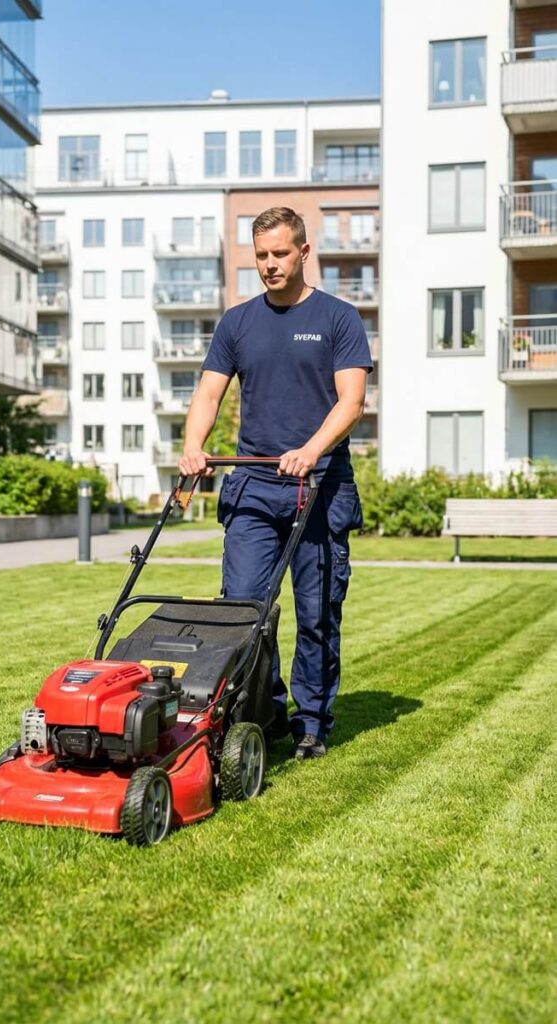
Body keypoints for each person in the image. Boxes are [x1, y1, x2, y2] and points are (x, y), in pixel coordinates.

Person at [179, 206, 372, 760]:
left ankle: (311, 721)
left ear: (304, 253)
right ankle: (265, 707)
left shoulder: (339, 318)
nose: (269, 264)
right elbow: (209, 394)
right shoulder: (237, 323)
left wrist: (310, 451)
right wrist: (194, 446)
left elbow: (352, 402)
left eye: (280, 253)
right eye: (261, 255)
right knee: (242, 611)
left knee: (315, 613)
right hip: (255, 488)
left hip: (320, 486)